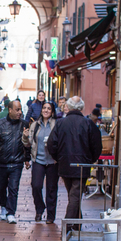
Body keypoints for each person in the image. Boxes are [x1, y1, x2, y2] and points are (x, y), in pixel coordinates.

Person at [47, 96, 102, 230]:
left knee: (73, 195)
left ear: (69, 107)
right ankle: (69, 224)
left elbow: (51, 144)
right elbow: (97, 145)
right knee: (75, 195)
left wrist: (58, 158)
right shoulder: (88, 123)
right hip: (82, 165)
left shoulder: (60, 123)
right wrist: (91, 160)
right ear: (81, 108)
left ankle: (76, 224)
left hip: (65, 164)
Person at [0, 100, 31, 224]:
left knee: (13, 188)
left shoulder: (24, 124)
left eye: (21, 109)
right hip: (1, 162)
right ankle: (3, 207)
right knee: (0, 187)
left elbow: (27, 144)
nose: (20, 112)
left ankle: (11, 212)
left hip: (17, 162)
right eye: (17, 110)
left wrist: (27, 158)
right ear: (10, 110)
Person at [22, 102, 59, 224]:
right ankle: (39, 208)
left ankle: (51, 215)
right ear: (41, 110)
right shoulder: (35, 125)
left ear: (52, 111)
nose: (46, 110)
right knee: (36, 186)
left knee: (51, 188)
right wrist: (25, 137)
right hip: (38, 160)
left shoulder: (57, 124)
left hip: (53, 161)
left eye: (49, 108)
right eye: (44, 108)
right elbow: (28, 144)